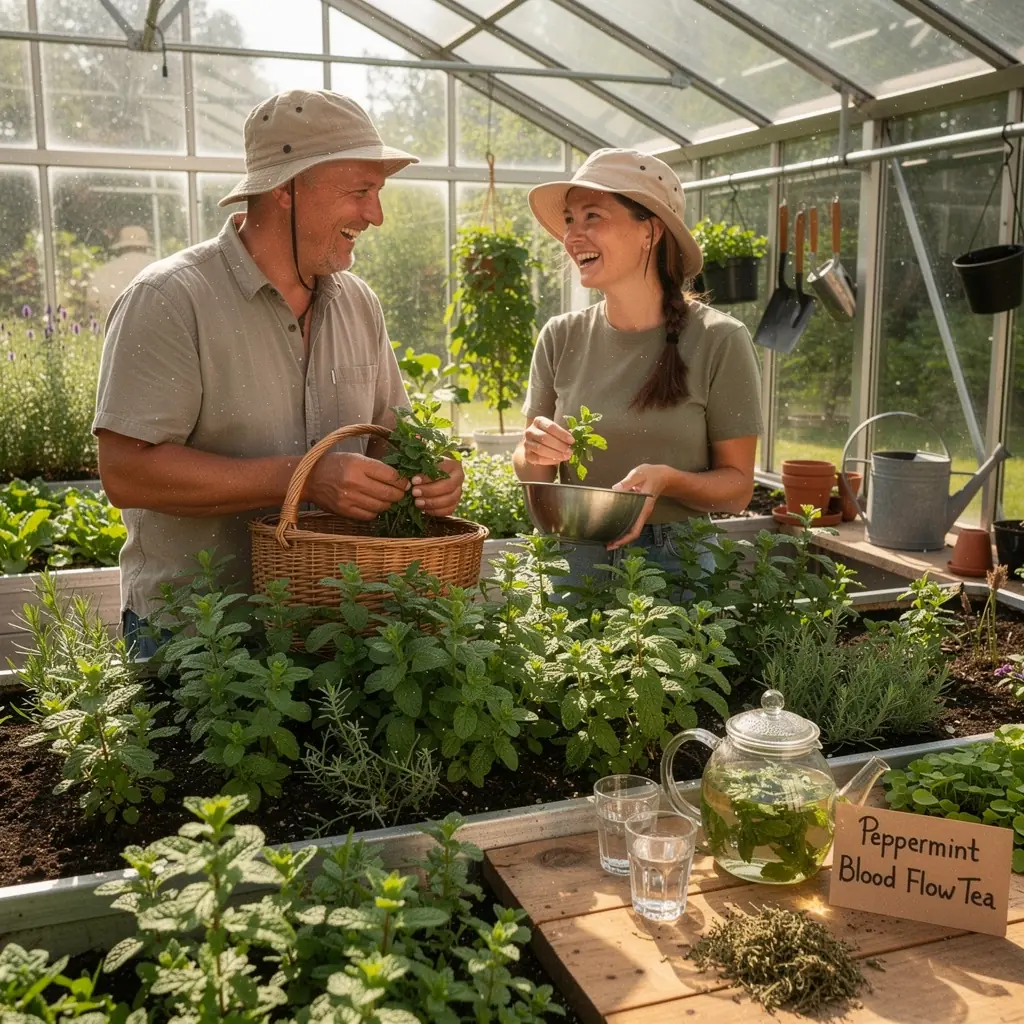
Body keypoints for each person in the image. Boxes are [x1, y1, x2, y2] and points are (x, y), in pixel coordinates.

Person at [93, 89, 464, 654]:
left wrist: (431, 471)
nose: (376, 215)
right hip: (199, 635)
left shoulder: (358, 302)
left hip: (337, 626)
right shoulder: (170, 299)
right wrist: (304, 476)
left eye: (377, 192)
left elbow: (390, 434)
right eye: (360, 192)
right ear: (288, 188)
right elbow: (127, 473)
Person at [514, 148, 763, 588]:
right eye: (569, 220)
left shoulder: (720, 340)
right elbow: (533, 470)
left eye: (593, 216)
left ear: (649, 230)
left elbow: (738, 486)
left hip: (678, 555)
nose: (573, 236)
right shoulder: (560, 335)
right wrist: (533, 452)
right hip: (576, 549)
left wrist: (666, 480)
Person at [86, 225, 156, 322]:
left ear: (121, 247)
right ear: (146, 247)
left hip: (113, 329)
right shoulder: (157, 267)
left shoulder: (104, 271)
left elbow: (92, 301)